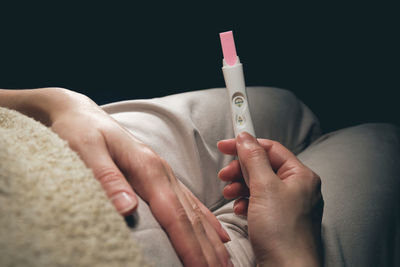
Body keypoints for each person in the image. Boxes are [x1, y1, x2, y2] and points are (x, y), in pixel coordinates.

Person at [0, 86, 399, 266]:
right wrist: (292, 255)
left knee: (284, 107)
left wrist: (58, 102)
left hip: (49, 145)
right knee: (379, 140)